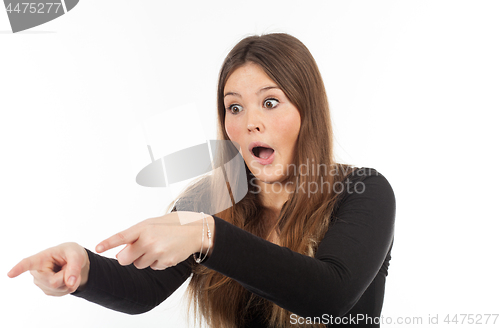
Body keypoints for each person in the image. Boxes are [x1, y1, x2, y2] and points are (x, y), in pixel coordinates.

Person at [7, 33, 396, 328]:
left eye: (271, 102)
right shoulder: (210, 199)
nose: (250, 122)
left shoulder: (363, 192)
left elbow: (329, 296)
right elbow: (144, 290)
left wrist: (207, 235)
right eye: (235, 107)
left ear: (307, 111)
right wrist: (84, 271)